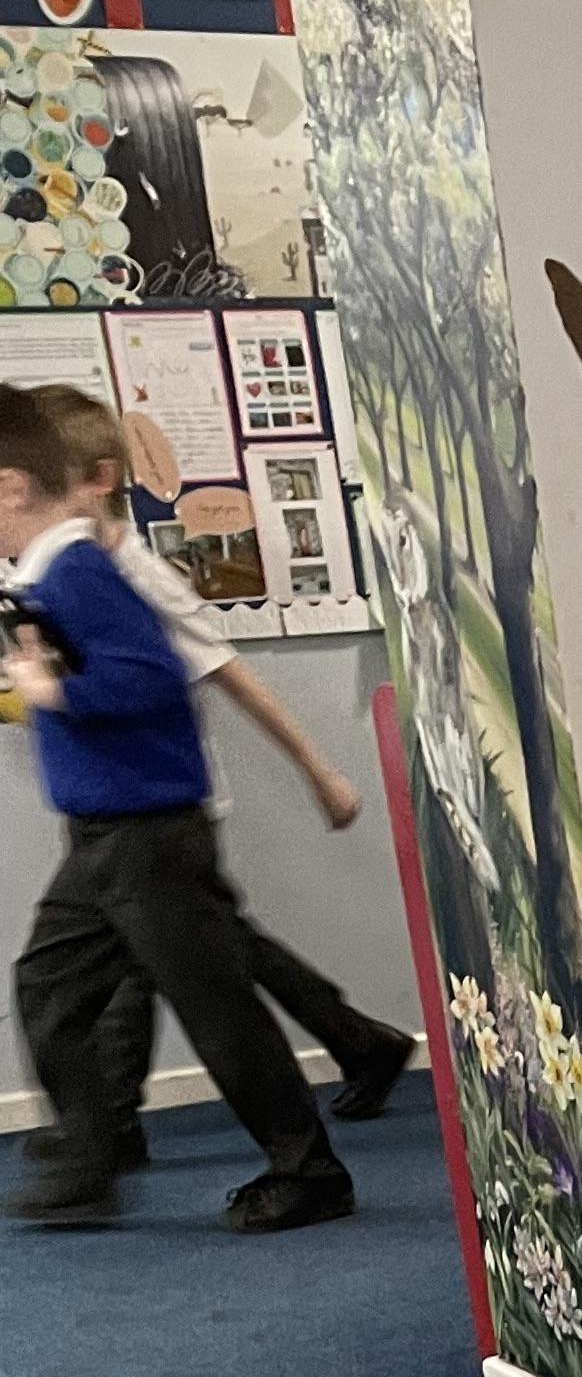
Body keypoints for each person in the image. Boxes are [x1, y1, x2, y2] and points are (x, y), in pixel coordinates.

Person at [0, 385, 355, 1233]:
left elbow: (150, 674)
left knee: (216, 1007)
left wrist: (57, 689)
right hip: (102, 839)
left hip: (149, 833)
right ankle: (87, 1158)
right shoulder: (39, 574)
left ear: (11, 490)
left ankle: (308, 1172)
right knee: (46, 984)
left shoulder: (79, 569)